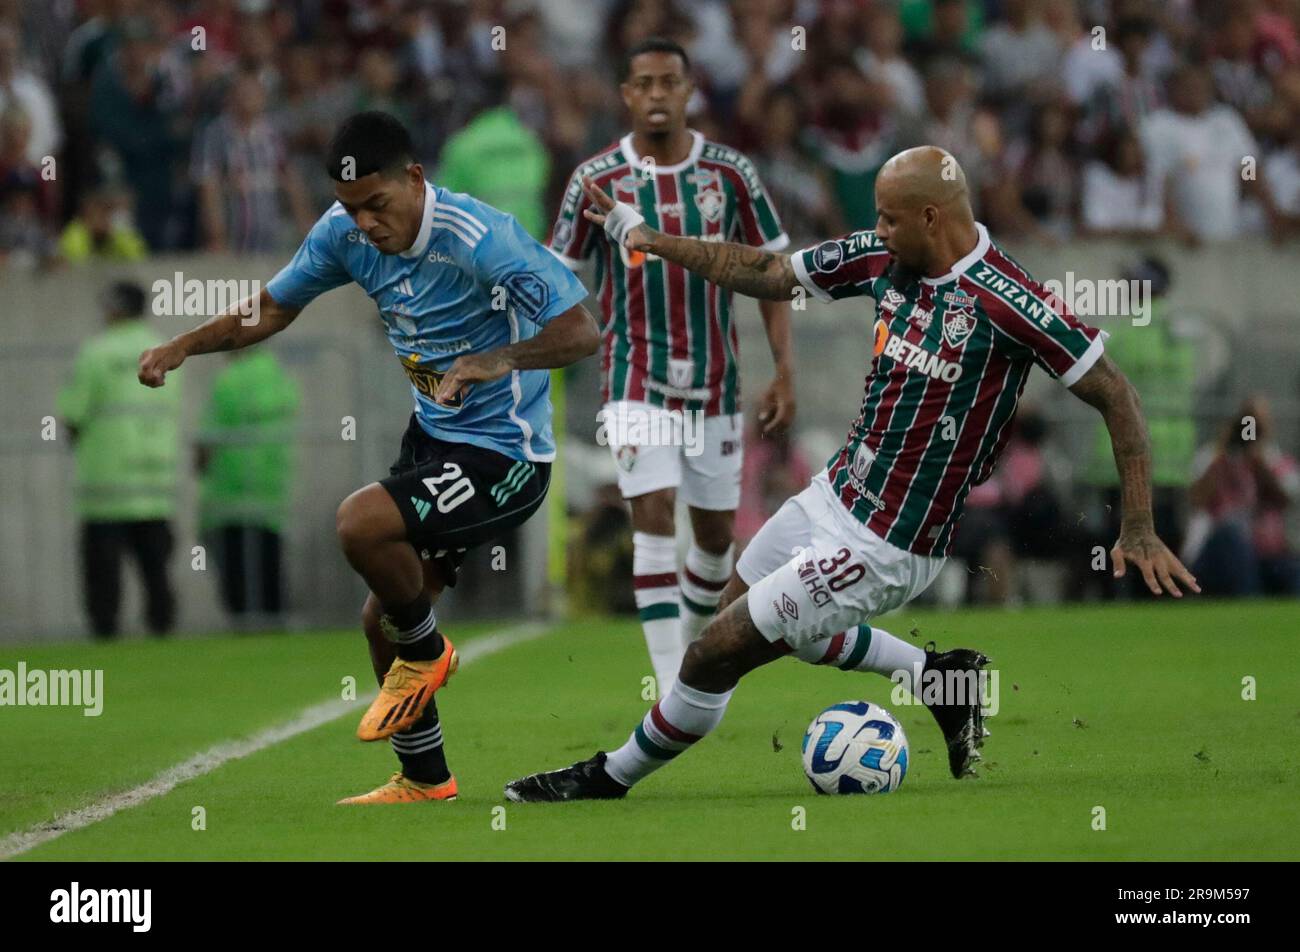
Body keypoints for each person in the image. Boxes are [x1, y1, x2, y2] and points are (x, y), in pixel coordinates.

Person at [504, 145, 1197, 803]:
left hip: (890, 542)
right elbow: (769, 273)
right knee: (742, 617)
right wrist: (651, 238)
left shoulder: (1011, 302)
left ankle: (606, 776)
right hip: (833, 495)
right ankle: (939, 678)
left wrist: (1137, 524)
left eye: (890, 217)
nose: (877, 229)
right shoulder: (881, 260)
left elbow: (1117, 395)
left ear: (932, 217)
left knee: (713, 655)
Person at [138, 111, 599, 804]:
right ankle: (425, 779)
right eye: (352, 210)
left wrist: (493, 360)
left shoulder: (481, 238)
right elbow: (270, 308)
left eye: (377, 205)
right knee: (378, 616)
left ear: (415, 179)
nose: (366, 225)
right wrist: (183, 345)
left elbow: (580, 332)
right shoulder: (344, 233)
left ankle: (430, 654)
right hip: (437, 442)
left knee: (359, 523)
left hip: (506, 458)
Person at [548, 38, 795, 694]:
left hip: (716, 381)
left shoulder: (730, 174)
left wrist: (785, 370)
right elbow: (557, 278)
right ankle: (670, 682)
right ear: (627, 95)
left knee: (715, 540)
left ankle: (691, 647)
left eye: (669, 82)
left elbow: (773, 273)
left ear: (689, 92)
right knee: (652, 510)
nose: (657, 94)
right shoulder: (593, 181)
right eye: (644, 83)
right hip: (632, 374)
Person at [59, 281, 182, 638]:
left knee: (103, 576)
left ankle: (106, 635)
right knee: (156, 571)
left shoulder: (95, 352)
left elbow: (72, 413)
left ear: (114, 308)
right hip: (153, 485)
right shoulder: (166, 349)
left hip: (105, 486)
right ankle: (163, 634)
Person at [196, 349, 301, 622]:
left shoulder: (230, 379)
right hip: (271, 494)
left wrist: (199, 468)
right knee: (270, 582)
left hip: (230, 496)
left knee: (239, 591)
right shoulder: (281, 377)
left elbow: (207, 441)